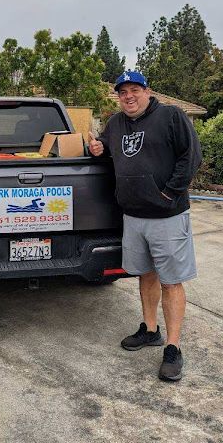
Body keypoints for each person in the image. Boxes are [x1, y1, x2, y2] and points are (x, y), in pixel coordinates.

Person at [88, 70, 202, 381]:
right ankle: (150, 330)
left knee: (171, 281)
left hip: (167, 216)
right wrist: (97, 148)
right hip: (134, 217)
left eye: (134, 89)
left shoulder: (170, 116)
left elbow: (191, 157)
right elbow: (106, 149)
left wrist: (168, 193)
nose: (129, 96)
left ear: (147, 91)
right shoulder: (116, 123)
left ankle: (173, 347)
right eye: (123, 92)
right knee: (146, 274)